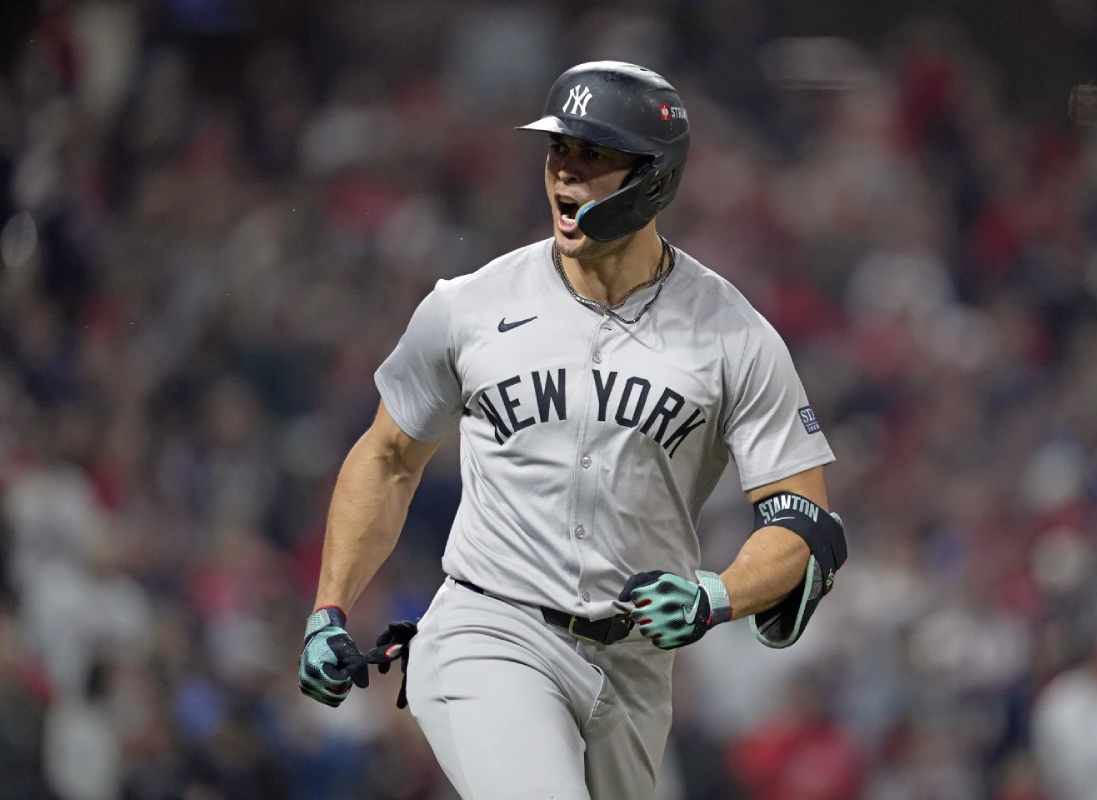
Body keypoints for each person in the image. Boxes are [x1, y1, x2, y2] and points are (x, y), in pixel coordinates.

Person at [297, 60, 847, 800]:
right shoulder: (469, 307)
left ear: (653, 177)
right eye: (560, 149)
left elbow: (802, 523)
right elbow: (390, 456)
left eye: (594, 155)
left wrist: (716, 594)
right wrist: (330, 606)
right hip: (490, 628)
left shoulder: (732, 335)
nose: (566, 172)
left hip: (634, 666)